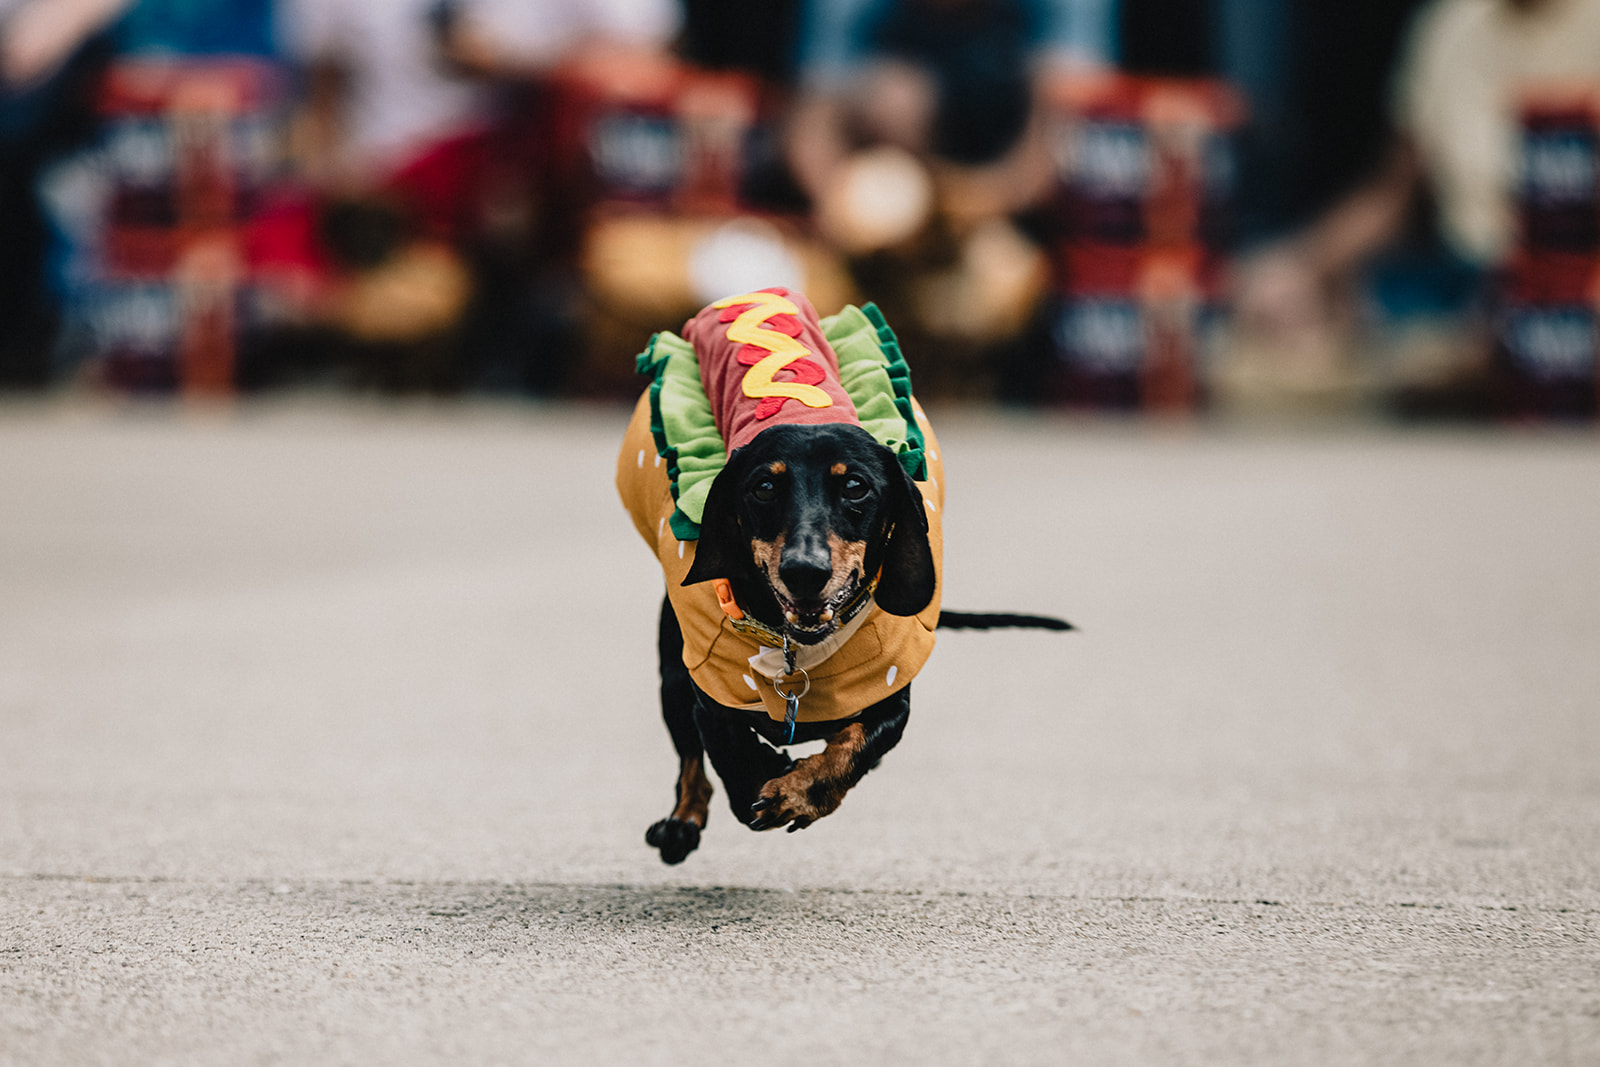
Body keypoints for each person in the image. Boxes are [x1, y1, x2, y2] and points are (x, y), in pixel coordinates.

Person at [1233, 0, 1600, 408]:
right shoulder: (1450, 23)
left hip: (1575, 293)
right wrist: (1300, 266)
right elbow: (1390, 196)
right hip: (1464, 282)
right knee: (1320, 326)